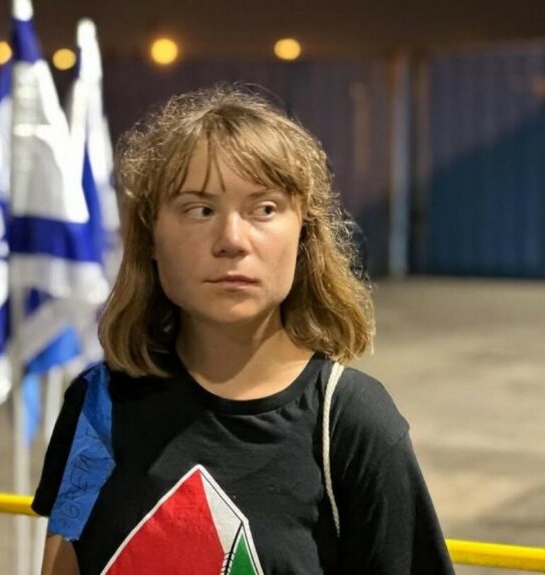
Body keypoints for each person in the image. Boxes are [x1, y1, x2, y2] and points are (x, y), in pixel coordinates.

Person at [33, 84, 454, 574]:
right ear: (149, 238)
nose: (232, 240)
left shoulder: (353, 423)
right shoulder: (98, 403)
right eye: (200, 209)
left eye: (264, 209)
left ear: (304, 234)